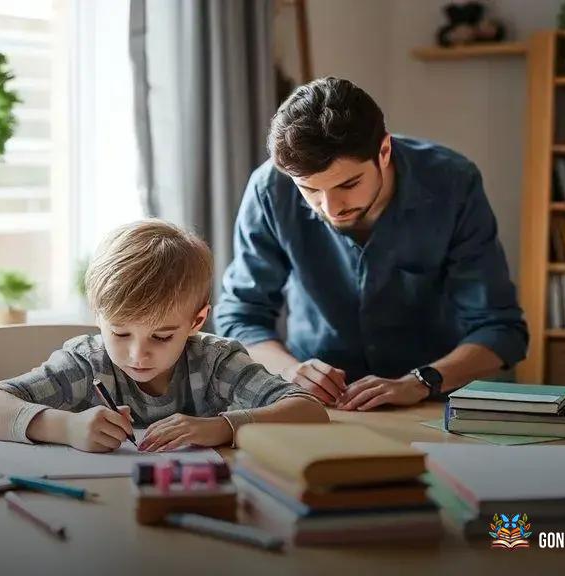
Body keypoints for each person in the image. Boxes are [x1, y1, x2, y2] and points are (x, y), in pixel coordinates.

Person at [216, 77, 528, 411]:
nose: (331, 208)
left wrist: (422, 381)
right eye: (310, 190)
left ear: (384, 151)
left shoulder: (453, 183)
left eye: (349, 184)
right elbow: (241, 316)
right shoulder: (269, 189)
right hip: (316, 406)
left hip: (431, 400)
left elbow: (501, 329)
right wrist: (290, 371)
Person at [0, 219, 327, 453]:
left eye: (163, 336)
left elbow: (310, 411)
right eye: (120, 332)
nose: (138, 354)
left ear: (197, 320)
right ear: (97, 315)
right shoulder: (87, 363)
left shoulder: (215, 362)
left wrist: (219, 428)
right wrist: (66, 426)